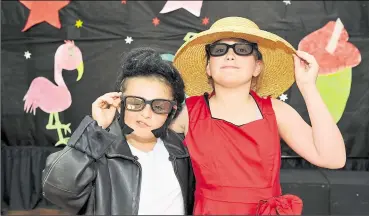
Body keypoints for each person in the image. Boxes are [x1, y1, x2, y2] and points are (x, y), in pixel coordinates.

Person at [170, 17, 347, 215]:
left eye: (242, 50)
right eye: (219, 50)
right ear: (208, 68)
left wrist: (308, 87)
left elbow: (334, 159)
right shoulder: (187, 112)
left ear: (257, 67)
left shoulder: (277, 111)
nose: (230, 56)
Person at [42, 48, 195, 215]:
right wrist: (95, 130)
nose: (146, 113)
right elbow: (57, 190)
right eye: (136, 103)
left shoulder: (182, 151)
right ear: (120, 103)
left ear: (171, 110)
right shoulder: (98, 152)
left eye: (159, 106)